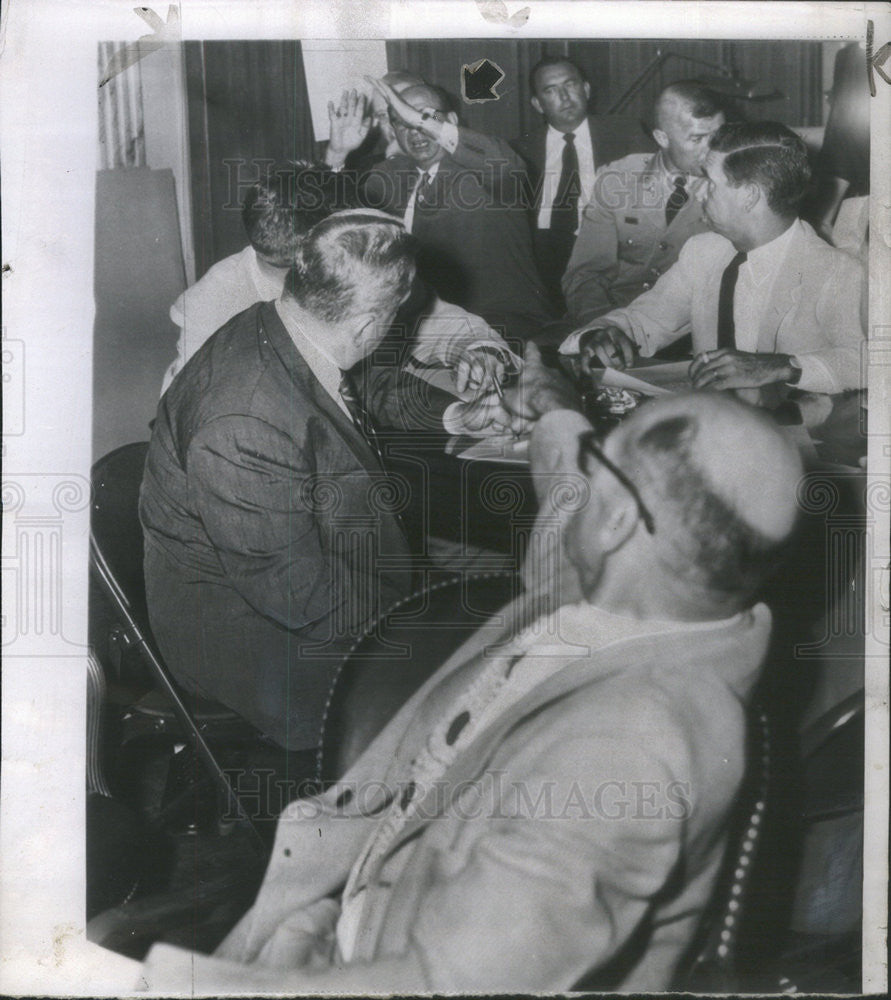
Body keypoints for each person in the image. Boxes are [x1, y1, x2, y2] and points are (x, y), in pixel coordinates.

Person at [140, 369, 804, 992]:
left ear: (619, 521)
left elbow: (442, 984)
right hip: (350, 912)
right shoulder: (638, 603)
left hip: (369, 966)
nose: (584, 475)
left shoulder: (624, 752)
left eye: (602, 455)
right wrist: (554, 408)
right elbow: (568, 497)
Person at [140, 210, 494, 752]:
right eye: (398, 316)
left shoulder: (294, 322)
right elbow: (299, 596)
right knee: (485, 696)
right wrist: (424, 630)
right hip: (254, 637)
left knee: (493, 631)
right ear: (367, 324)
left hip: (315, 575)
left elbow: (362, 379)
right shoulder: (242, 423)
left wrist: (456, 416)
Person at [162, 158, 518, 400]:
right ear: (318, 247)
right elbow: (187, 416)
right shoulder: (212, 306)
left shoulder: (362, 268)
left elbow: (442, 324)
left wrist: (480, 352)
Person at [559, 121, 866, 396]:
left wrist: (784, 366)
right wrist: (599, 335)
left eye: (710, 182)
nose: (699, 193)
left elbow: (868, 363)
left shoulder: (837, 272)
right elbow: (645, 320)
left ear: (749, 196)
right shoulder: (703, 252)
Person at [357, 78, 555, 343]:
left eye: (426, 118)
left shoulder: (484, 172)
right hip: (417, 328)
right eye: (403, 123)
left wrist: (419, 120)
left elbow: (507, 166)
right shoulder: (388, 175)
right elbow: (341, 227)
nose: (415, 130)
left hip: (500, 324)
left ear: (450, 120)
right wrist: (336, 154)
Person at [561, 80, 725, 325]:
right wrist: (601, 327)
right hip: (615, 317)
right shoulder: (617, 180)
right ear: (662, 137)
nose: (712, 150)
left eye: (718, 137)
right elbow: (586, 274)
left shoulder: (732, 187)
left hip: (691, 330)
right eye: (697, 139)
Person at [510, 56, 655, 309]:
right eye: (551, 90)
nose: (565, 97)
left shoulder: (626, 133)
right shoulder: (520, 149)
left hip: (608, 257)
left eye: (571, 85)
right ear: (538, 104)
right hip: (541, 266)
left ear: (586, 90)